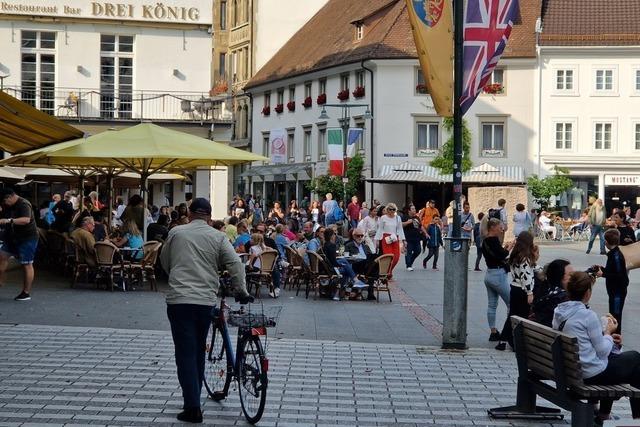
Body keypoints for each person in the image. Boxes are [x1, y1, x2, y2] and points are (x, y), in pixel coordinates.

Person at [160, 198, 251, 423]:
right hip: (204, 302)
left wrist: (177, 275)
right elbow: (236, 265)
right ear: (209, 217)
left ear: (190, 214)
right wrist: (241, 290)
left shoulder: (176, 233)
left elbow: (164, 260)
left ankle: (192, 406)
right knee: (199, 349)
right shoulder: (218, 237)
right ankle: (194, 399)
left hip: (180, 300)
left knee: (185, 353)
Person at [553, 271, 640, 423]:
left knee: (620, 361)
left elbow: (585, 339)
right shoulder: (587, 315)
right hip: (590, 374)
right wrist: (608, 332)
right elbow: (603, 351)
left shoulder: (559, 311)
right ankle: (636, 418)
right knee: (636, 359)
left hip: (571, 371)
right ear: (587, 293)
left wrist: (607, 337)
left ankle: (605, 415)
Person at [496, 231, 539, 351]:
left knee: (512, 315)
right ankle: (515, 342)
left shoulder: (516, 255)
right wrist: (530, 293)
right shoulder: (525, 258)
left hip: (514, 288)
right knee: (522, 318)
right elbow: (526, 276)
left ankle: (503, 340)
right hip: (523, 290)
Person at [0, 188, 39, 301]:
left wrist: (9, 220)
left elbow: (26, 220)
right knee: (2, 256)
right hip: (12, 238)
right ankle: (1, 281)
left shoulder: (24, 204)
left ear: (10, 197)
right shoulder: (8, 205)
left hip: (27, 238)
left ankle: (26, 293)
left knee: (26, 264)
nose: (4, 204)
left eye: (4, 201)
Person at [482, 218, 513, 342]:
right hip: (498, 276)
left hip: (489, 274)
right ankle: (508, 332)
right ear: (493, 227)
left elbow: (495, 254)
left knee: (492, 305)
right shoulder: (493, 240)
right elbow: (502, 255)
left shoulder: (485, 241)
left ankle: (493, 332)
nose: (502, 229)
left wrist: (503, 247)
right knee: (511, 303)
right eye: (500, 227)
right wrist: (509, 247)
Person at [593, 229, 629, 334]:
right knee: (613, 314)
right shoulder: (614, 254)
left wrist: (603, 274)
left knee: (616, 316)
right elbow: (613, 271)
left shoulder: (616, 256)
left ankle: (616, 339)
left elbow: (620, 276)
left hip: (618, 291)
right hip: (614, 290)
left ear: (607, 242)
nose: (604, 242)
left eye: (604, 240)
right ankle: (613, 337)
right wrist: (601, 269)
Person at [322, 228, 367, 301]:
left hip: (328, 267)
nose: (335, 236)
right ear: (331, 236)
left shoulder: (325, 244)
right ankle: (355, 281)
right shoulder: (332, 245)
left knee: (345, 264)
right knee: (346, 266)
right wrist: (342, 264)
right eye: (334, 234)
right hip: (332, 269)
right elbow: (334, 263)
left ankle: (340, 292)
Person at [530, 259, 573, 327]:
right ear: (559, 277)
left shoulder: (544, 291)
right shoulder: (563, 300)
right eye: (571, 275)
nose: (574, 278)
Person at [345, 228, 377, 300]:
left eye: (361, 236)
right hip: (355, 264)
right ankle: (367, 291)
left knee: (373, 263)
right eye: (358, 236)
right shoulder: (349, 245)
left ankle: (369, 292)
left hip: (365, 265)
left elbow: (370, 256)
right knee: (371, 268)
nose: (360, 237)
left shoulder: (365, 246)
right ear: (354, 236)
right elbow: (346, 256)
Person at [374, 203, 406, 278]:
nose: (391, 211)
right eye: (390, 209)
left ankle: (389, 271)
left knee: (396, 257)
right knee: (388, 257)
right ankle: (388, 273)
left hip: (395, 238)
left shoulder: (398, 218)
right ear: (387, 210)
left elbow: (400, 229)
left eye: (393, 209)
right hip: (386, 238)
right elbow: (380, 229)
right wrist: (377, 240)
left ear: (396, 210)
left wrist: (403, 240)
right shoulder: (383, 218)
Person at [402, 205, 423, 271]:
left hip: (417, 238)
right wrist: (408, 222)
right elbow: (401, 225)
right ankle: (408, 265)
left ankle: (410, 262)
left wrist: (423, 232)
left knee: (418, 251)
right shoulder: (405, 217)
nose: (414, 210)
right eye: (413, 209)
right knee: (409, 252)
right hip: (408, 238)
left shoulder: (417, 217)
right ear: (409, 210)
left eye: (414, 208)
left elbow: (420, 226)